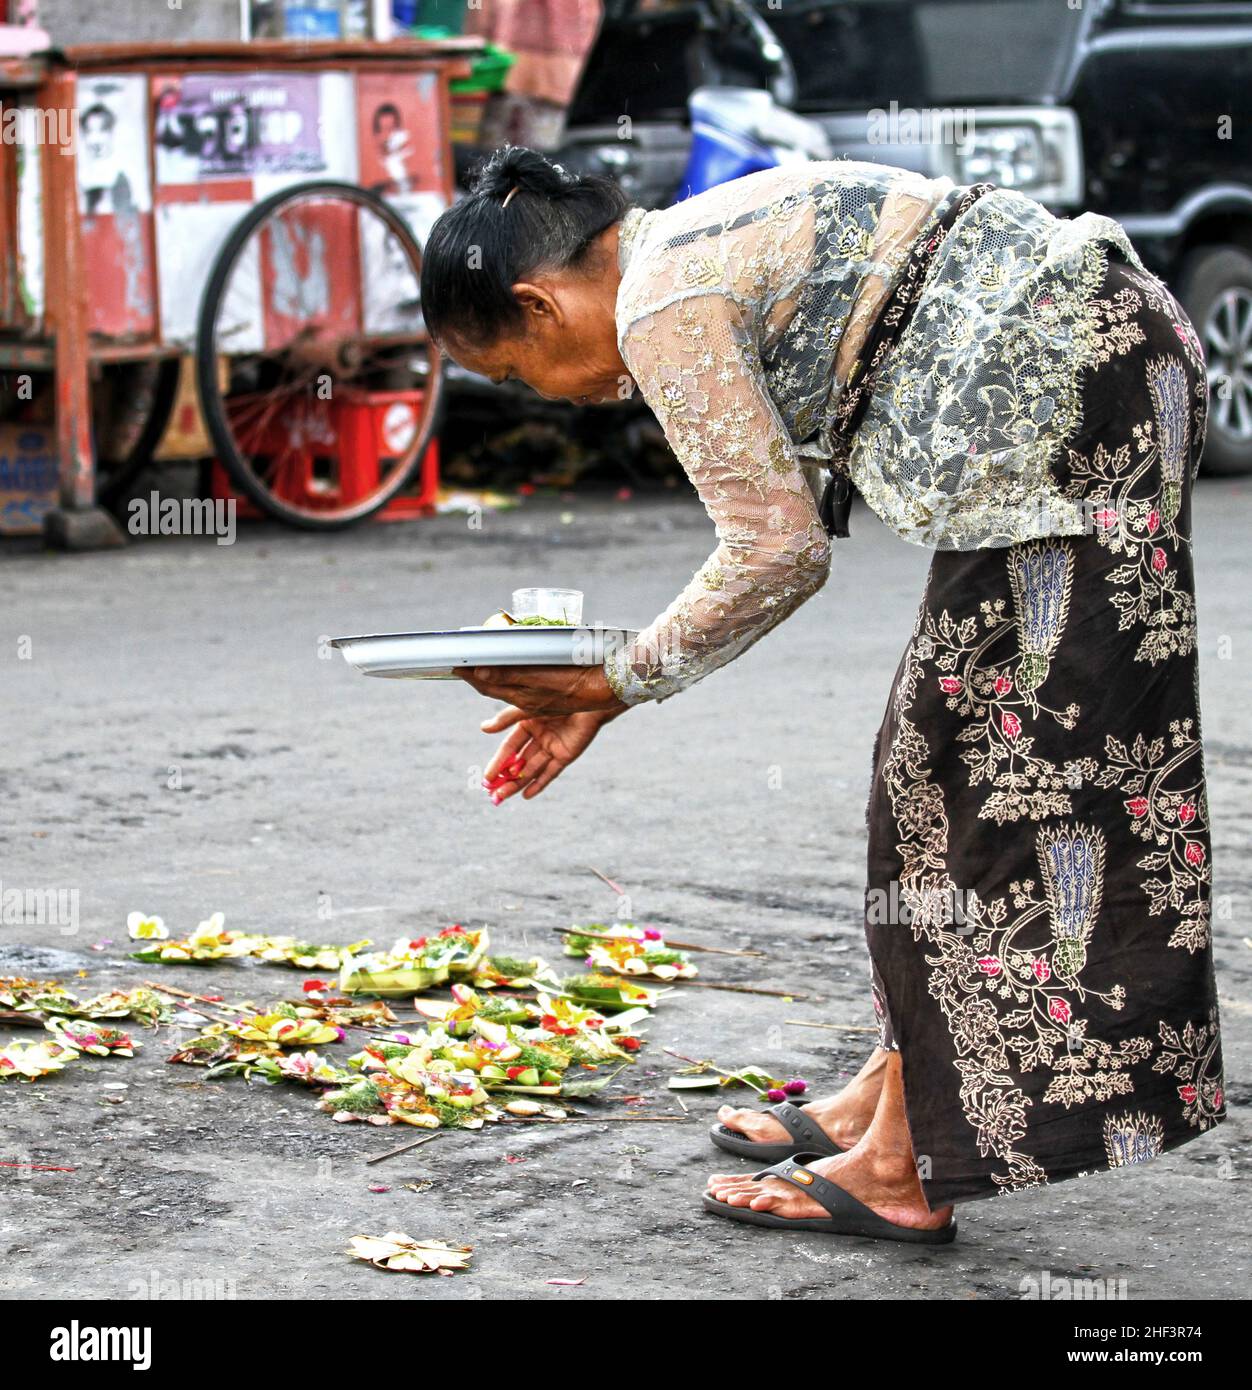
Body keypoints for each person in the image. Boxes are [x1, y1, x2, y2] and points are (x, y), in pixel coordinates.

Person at [417, 145, 1225, 1243]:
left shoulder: (663, 304)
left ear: (537, 301)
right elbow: (780, 524)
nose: (543, 399)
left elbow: (774, 550)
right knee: (935, 773)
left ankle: (903, 1165)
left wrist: (616, 676)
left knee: (976, 790)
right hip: (1090, 368)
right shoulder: (680, 247)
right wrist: (614, 687)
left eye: (514, 373)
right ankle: (898, 1094)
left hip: (1069, 395)